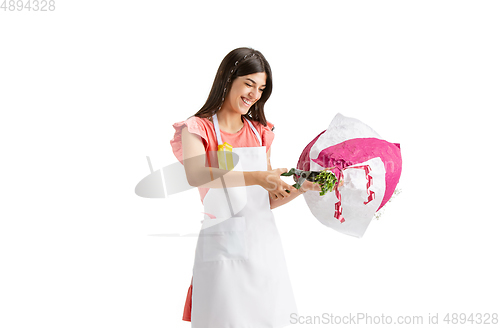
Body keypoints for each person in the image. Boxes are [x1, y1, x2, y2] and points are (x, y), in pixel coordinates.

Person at [170, 47, 321, 328]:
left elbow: (266, 200)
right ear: (228, 79)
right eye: (249, 84)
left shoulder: (259, 132)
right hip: (222, 247)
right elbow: (197, 174)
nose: (254, 95)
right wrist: (258, 176)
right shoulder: (197, 128)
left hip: (264, 248)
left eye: (261, 89)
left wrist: (301, 186)